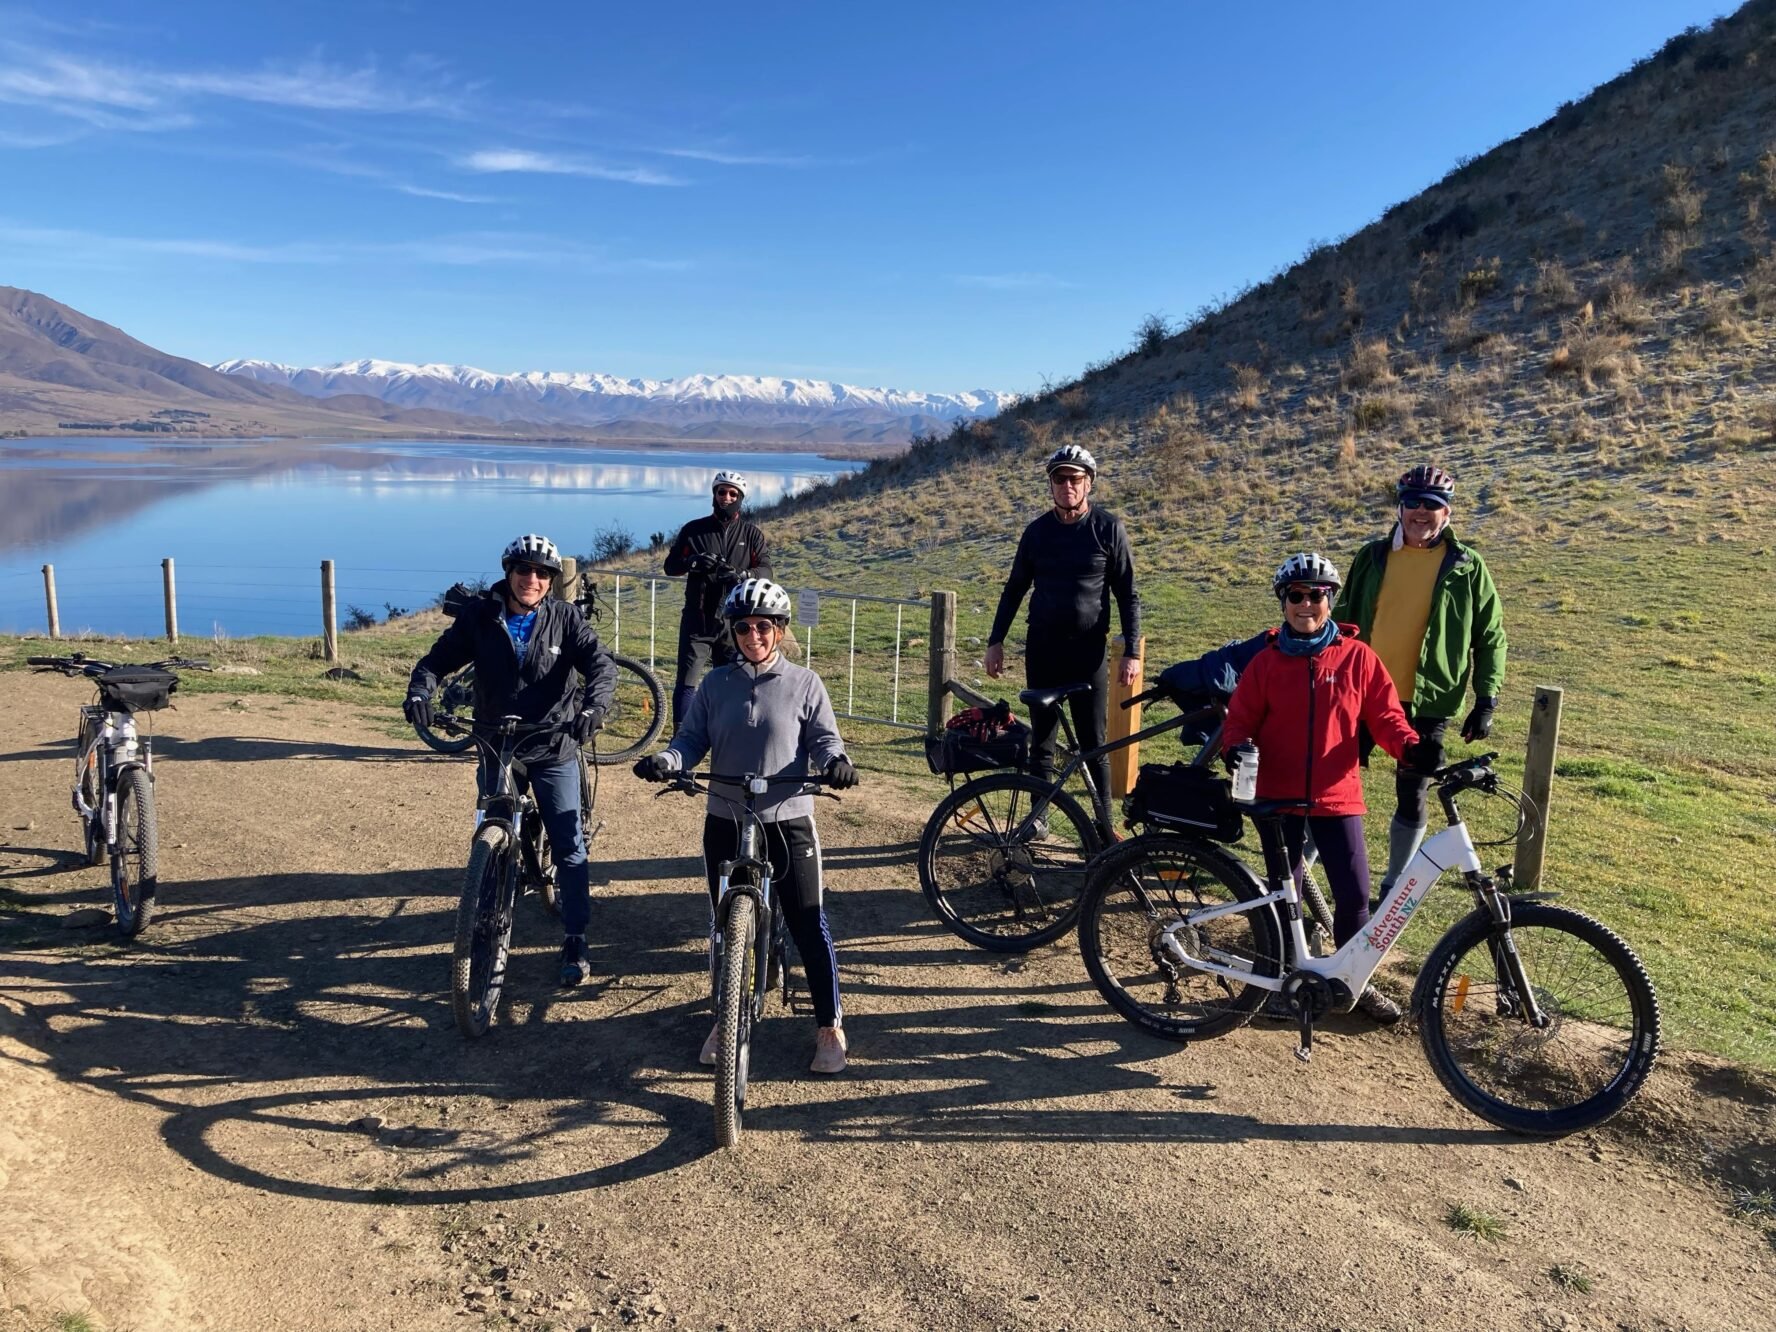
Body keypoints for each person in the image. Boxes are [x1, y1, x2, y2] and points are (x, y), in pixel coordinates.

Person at [632, 577, 859, 1075]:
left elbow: (824, 741)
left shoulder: (805, 683)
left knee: (807, 921)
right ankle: (726, 1014)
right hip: (726, 817)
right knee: (723, 924)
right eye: (742, 627)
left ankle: (829, 1025)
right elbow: (691, 740)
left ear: (779, 630)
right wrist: (668, 760)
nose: (752, 635)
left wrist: (836, 761)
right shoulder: (716, 684)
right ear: (731, 632)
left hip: (787, 819)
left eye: (763, 626)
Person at [1221, 553, 1439, 1023]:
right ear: (1283, 602)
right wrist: (1234, 750)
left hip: (1337, 796)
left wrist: (1412, 749)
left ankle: (1352, 983)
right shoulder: (1266, 663)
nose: (1306, 604)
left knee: (1355, 896)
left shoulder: (1358, 658)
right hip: (1277, 800)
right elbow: (1238, 721)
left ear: (1330, 600)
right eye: (1296, 595)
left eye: (1316, 595)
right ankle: (1282, 982)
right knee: (1287, 896)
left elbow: (1386, 718)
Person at [405, 534, 618, 987]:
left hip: (552, 742)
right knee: (492, 823)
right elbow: (436, 661)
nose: (533, 580)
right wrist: (420, 691)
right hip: (496, 742)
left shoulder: (564, 618)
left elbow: (601, 665)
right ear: (508, 571)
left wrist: (593, 709)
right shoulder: (479, 616)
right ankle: (488, 903)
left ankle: (576, 938)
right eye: (525, 570)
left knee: (569, 843)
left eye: (543, 574)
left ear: (552, 581)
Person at [1333, 464, 1507, 908]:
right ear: (1399, 507)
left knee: (1412, 793)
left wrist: (1486, 699)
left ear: (1446, 515)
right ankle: (1302, 881)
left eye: (1433, 505)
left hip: (1428, 700)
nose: (1421, 512)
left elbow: (1490, 636)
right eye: (1413, 502)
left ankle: (1391, 890)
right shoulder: (1372, 556)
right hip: (1362, 693)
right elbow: (1343, 622)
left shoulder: (1467, 566)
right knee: (1329, 782)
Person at [984, 444, 1140, 830]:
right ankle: (1037, 819)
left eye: (1075, 478)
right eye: (1059, 478)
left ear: (1088, 483)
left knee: (1094, 745)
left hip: (1089, 654)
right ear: (1050, 485)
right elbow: (1015, 588)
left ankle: (1104, 826)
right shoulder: (1036, 532)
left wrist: (1132, 651)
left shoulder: (1108, 529)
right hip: (1043, 650)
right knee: (1043, 742)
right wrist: (995, 641)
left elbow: (1127, 593)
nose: (1067, 485)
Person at [662, 470, 773, 732]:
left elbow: (767, 570)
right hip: (697, 620)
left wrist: (743, 575)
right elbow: (670, 566)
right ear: (714, 494)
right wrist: (692, 562)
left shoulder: (752, 534)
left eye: (733, 494)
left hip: (735, 624)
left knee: (732, 681)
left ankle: (727, 734)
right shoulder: (694, 530)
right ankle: (682, 738)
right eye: (721, 492)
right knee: (687, 682)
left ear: (740, 499)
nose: (726, 497)